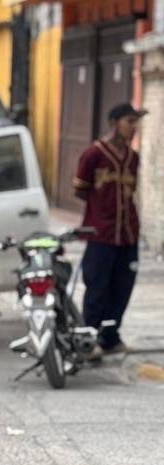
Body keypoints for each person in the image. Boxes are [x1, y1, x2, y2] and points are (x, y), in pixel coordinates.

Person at [73, 102, 146, 356]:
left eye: (136, 123)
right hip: (101, 234)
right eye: (129, 122)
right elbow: (81, 189)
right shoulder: (94, 154)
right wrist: (101, 210)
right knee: (97, 287)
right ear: (114, 123)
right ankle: (89, 338)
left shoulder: (133, 158)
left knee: (122, 287)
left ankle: (110, 337)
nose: (134, 128)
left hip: (127, 235)